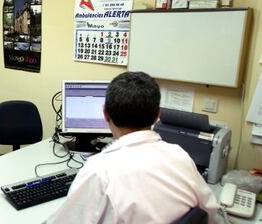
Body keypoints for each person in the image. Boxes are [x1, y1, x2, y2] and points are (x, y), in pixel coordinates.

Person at [45, 72, 219, 223]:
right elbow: (210, 213)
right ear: (157, 115)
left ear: (105, 113)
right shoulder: (180, 156)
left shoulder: (99, 172)